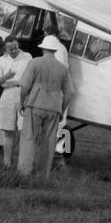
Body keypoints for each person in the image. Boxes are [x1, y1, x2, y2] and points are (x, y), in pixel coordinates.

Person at [16, 35, 72, 181]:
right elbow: (69, 93)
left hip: (34, 104)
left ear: (43, 49)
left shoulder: (35, 63)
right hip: (54, 108)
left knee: (29, 138)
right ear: (54, 50)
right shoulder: (63, 68)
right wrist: (61, 109)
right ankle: (42, 176)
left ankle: (24, 173)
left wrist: (21, 102)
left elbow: (24, 87)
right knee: (48, 142)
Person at [0, 36, 31, 168]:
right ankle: (7, 163)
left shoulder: (27, 57)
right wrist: (7, 77)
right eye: (10, 49)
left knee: (24, 130)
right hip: (8, 95)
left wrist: (17, 82)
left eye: (15, 47)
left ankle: (23, 163)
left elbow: (31, 77)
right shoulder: (2, 60)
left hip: (23, 93)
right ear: (6, 49)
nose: (14, 50)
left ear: (18, 45)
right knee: (8, 131)